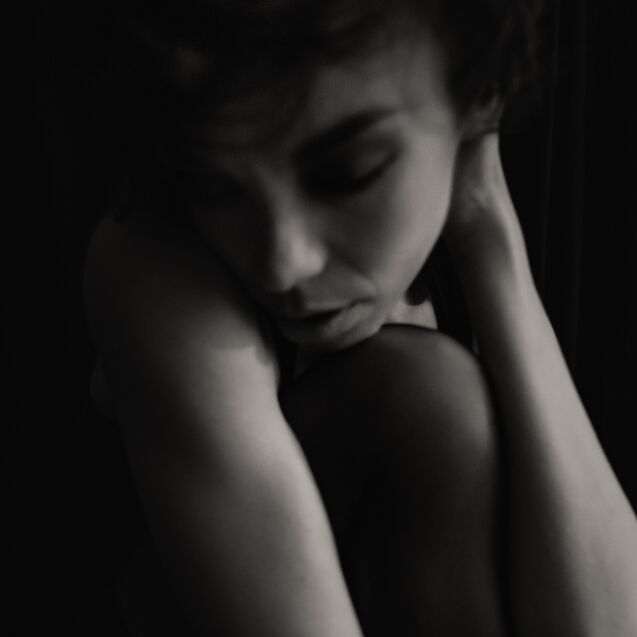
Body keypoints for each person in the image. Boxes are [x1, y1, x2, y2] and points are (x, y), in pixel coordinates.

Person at [49, 0, 637, 634]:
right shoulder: (157, 265)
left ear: (477, 102)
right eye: (216, 187)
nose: (284, 264)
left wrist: (486, 228)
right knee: (427, 400)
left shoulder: (447, 245)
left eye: (348, 174)